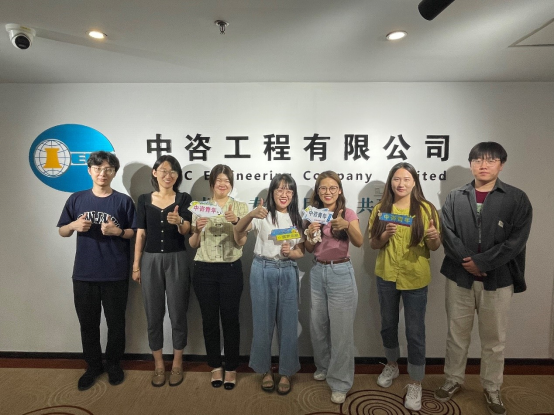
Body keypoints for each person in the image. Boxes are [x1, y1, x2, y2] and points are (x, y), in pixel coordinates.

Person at [435, 142, 533, 416]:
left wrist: (483, 262)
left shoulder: (516, 198)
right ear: (471, 164)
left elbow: (516, 241)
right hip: (459, 276)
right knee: (456, 335)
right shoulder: (455, 196)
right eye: (478, 160)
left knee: (494, 340)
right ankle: (453, 379)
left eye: (490, 160)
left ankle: (491, 387)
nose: (483, 165)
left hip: (498, 279)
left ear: (501, 164)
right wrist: (469, 263)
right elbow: (448, 233)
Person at [57, 151, 136, 391]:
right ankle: (92, 366)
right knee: (88, 324)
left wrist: (118, 232)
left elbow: (134, 232)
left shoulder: (123, 201)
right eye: (98, 169)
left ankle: (113, 364)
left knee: (116, 323)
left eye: (108, 169)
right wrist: (73, 225)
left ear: (114, 172)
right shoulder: (76, 199)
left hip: (115, 273)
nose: (103, 173)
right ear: (90, 171)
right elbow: (62, 230)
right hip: (84, 274)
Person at [368, 163, 441, 412]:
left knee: (415, 331)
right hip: (387, 276)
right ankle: (391, 364)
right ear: (390, 182)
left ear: (414, 182)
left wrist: (434, 238)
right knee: (388, 324)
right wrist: (384, 235)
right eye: (397, 179)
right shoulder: (381, 209)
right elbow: (373, 244)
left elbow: (434, 246)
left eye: (406, 179)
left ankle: (416, 381)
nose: (401, 184)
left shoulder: (426, 209)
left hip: (415, 278)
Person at [234, 174, 305, 396]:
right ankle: (265, 370)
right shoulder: (262, 214)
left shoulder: (297, 218)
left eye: (289, 190)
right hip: (262, 269)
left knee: (288, 324)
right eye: (280, 189)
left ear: (293, 195)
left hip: (287, 270)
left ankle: (286, 372)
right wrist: (251, 214)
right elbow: (238, 230)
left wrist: (291, 252)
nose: (284, 194)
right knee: (262, 324)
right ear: (272, 192)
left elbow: (301, 251)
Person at [133, 156, 192, 387]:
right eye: (164, 171)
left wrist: (178, 221)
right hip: (150, 260)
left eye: (173, 172)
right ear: (155, 172)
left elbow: (187, 230)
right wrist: (136, 265)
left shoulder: (184, 199)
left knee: (178, 312)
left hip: (177, 259)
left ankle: (177, 362)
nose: (169, 176)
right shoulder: (144, 199)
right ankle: (158, 364)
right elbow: (141, 233)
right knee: (153, 313)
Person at [304, 171, 363, 405]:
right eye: (323, 188)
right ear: (317, 192)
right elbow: (309, 248)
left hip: (340, 272)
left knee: (341, 332)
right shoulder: (312, 213)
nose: (327, 192)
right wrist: (311, 233)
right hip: (317, 271)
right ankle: (324, 366)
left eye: (332, 188)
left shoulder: (347, 213)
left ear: (339, 190)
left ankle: (340, 382)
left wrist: (347, 226)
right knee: (317, 326)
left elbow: (359, 241)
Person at [189, 164, 249, 390]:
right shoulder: (200, 207)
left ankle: (231, 367)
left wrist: (236, 223)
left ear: (231, 184)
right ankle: (215, 365)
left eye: (227, 180)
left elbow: (241, 242)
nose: (223, 184)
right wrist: (197, 229)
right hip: (203, 269)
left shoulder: (240, 207)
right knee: (209, 320)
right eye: (219, 180)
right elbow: (193, 244)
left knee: (231, 319)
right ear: (212, 183)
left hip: (231, 268)